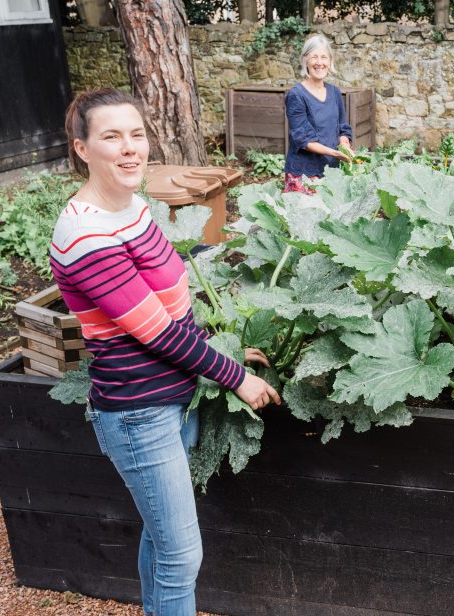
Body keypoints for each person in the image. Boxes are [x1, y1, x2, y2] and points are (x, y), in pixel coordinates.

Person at [51, 88, 280, 616]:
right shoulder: (86, 234)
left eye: (137, 134)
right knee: (181, 555)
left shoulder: (132, 208)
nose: (130, 148)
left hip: (173, 398)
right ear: (82, 149)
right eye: (111, 136)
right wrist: (235, 376)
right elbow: (154, 331)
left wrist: (225, 349)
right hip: (139, 414)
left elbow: (172, 310)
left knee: (161, 540)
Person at [283, 34, 354, 194]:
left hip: (332, 173)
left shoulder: (335, 92)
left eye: (324, 57)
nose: (319, 62)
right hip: (304, 175)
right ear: (305, 60)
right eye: (314, 57)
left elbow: (343, 127)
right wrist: (335, 153)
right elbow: (303, 139)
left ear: (330, 61)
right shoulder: (296, 95)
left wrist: (344, 143)